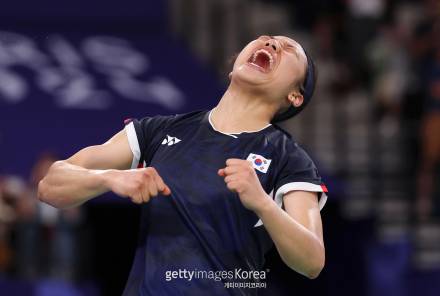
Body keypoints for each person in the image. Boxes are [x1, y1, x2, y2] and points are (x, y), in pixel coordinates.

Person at [38, 35, 328, 295]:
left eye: (289, 48)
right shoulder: (156, 131)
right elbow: (50, 186)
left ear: (295, 95)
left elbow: (312, 261)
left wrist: (263, 203)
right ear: (233, 67)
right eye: (264, 38)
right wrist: (109, 178)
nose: (271, 43)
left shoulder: (289, 158)